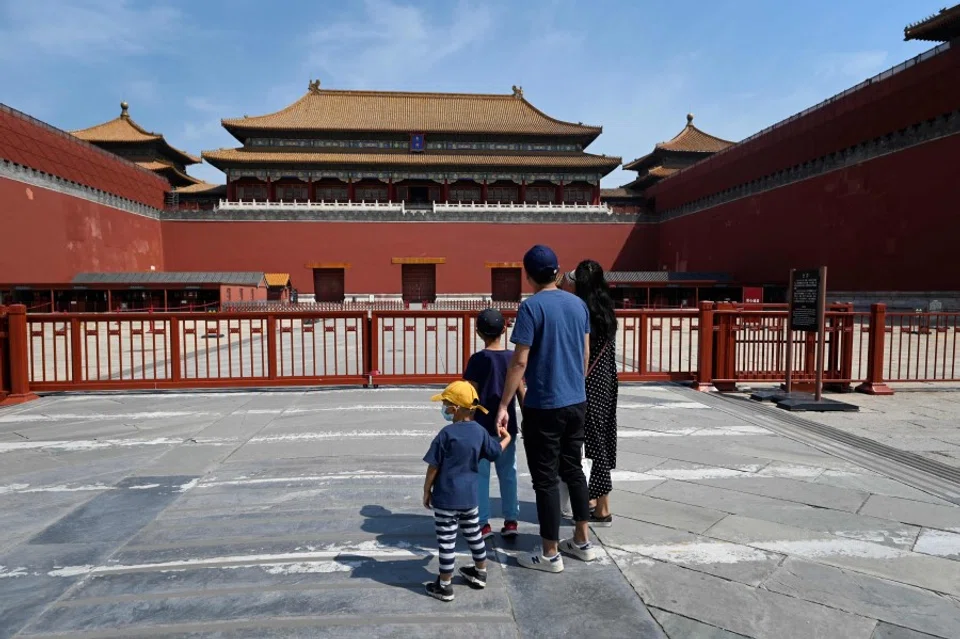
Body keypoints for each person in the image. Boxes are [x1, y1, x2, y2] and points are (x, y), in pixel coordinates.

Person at [496, 244, 599, 573]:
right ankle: (582, 542)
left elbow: (520, 360)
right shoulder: (578, 304)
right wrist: (574, 384)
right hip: (576, 401)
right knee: (573, 470)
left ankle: (550, 553)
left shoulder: (531, 308)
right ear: (557, 271)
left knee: (545, 481)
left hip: (544, 406)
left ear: (528, 275)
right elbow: (584, 354)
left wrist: (504, 403)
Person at [422, 380, 513, 602]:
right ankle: (480, 572)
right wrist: (507, 437)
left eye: (445, 404)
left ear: (454, 408)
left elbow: (433, 466)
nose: (443, 408)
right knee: (474, 536)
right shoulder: (480, 432)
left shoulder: (446, 434)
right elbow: (495, 453)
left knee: (446, 542)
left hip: (446, 499)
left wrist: (427, 490)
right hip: (471, 500)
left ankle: (444, 585)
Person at [463, 308, 523, 540]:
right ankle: (511, 520)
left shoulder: (477, 360)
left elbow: (471, 395)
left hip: (481, 427)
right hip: (508, 427)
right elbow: (520, 391)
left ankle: (483, 523)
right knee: (509, 472)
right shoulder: (512, 358)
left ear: (478, 332)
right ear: (504, 330)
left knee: (481, 475)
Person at [570, 260, 619, 526]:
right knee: (603, 435)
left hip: (588, 382)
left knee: (593, 442)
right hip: (607, 379)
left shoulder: (581, 311)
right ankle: (594, 497)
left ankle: (603, 507)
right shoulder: (607, 308)